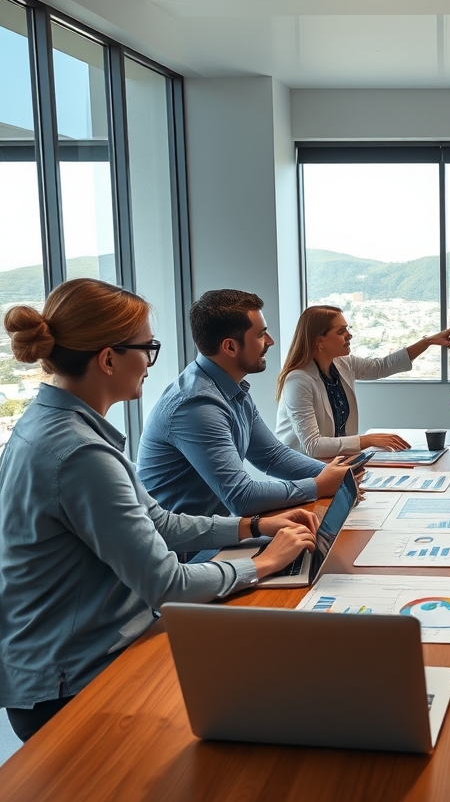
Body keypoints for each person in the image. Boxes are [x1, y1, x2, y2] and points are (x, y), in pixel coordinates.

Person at [0, 279, 320, 741]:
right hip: (75, 684)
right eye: (146, 348)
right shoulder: (80, 453)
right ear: (108, 359)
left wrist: (252, 525)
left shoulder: (53, 424)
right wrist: (264, 562)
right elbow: (168, 585)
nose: (152, 363)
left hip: (72, 660)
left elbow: (159, 522)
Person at [138, 289, 353, 518]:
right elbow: (242, 497)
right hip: (187, 550)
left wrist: (338, 474)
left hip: (217, 532)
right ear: (230, 347)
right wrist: (319, 485)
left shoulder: (231, 389)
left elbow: (273, 456)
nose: (270, 341)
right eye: (261, 335)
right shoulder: (197, 406)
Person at [275, 305, 450, 457]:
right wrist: (367, 440)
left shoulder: (343, 364)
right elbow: (313, 446)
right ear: (319, 341)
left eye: (347, 329)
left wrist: (427, 342)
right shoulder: (298, 381)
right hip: (303, 468)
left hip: (334, 462)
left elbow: (383, 366)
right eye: (341, 331)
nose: (349, 335)